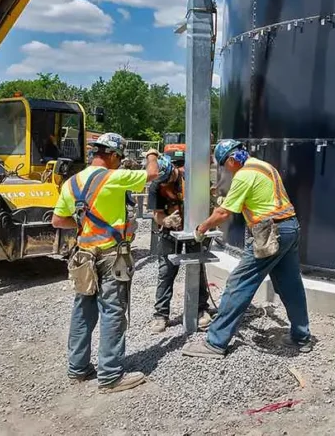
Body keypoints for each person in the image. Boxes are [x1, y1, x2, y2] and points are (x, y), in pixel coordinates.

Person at [181, 139, 313, 359]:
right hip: (290, 227)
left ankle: (215, 342)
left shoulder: (243, 175)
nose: (225, 170)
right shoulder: (264, 166)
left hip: (269, 233)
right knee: (290, 284)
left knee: (239, 283)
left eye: (224, 165)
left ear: (232, 160)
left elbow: (223, 214)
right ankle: (302, 337)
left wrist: (201, 228)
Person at [52, 132, 158, 392]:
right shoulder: (114, 178)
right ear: (111, 155)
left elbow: (58, 221)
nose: (120, 163)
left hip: (83, 256)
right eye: (119, 158)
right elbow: (153, 174)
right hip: (111, 256)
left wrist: (83, 225)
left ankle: (77, 369)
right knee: (112, 311)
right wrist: (151, 154)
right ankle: (110, 376)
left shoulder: (71, 183)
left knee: (82, 310)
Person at [146, 155, 213, 332]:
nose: (168, 182)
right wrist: (166, 221)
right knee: (166, 270)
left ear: (175, 169)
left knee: (197, 268)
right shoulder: (156, 186)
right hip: (171, 232)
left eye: (171, 178)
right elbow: (157, 214)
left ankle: (200, 309)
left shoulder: (191, 180)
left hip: (195, 230)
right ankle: (161, 314)